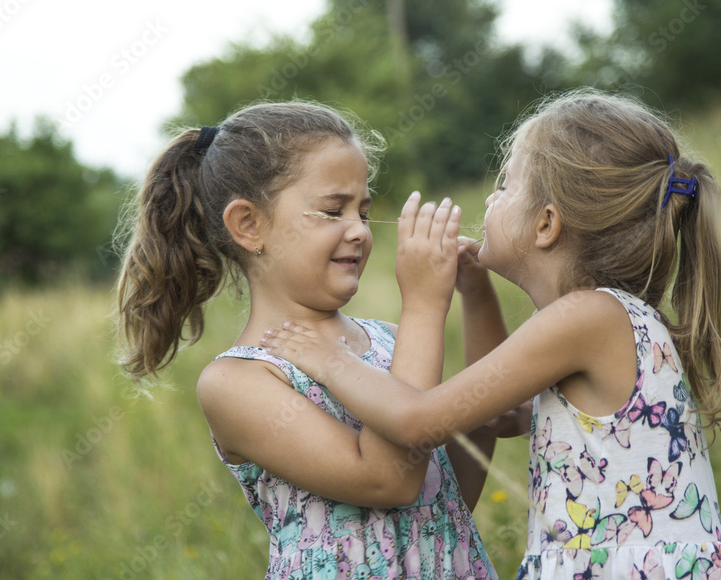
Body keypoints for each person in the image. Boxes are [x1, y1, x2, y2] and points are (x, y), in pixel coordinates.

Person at [262, 91, 721, 579]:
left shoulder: (587, 316)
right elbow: (501, 413)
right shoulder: (608, 320)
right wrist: (476, 294)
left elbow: (417, 423)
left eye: (506, 185)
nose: (491, 198)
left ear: (545, 224)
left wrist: (330, 359)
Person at [114, 101, 499, 579]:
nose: (359, 230)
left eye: (364, 210)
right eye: (333, 210)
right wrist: (424, 304)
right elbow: (388, 481)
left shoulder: (391, 343)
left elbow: (446, 494)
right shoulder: (238, 382)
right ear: (249, 225)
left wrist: (477, 294)